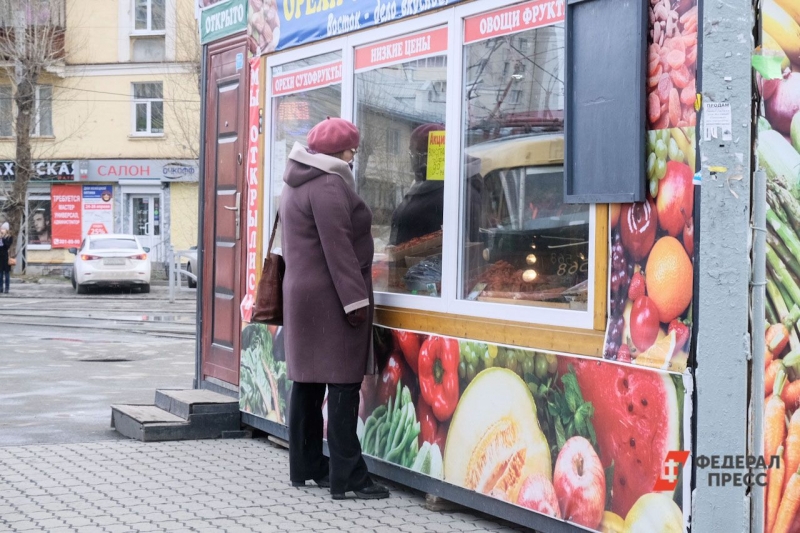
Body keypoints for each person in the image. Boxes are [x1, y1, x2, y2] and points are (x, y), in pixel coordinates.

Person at [280, 117, 388, 500]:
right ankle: (349, 476)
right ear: (336, 151)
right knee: (343, 382)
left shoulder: (297, 181)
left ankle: (307, 465)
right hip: (331, 297)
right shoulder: (328, 185)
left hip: (302, 294)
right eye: (351, 149)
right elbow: (339, 250)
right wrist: (356, 302)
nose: (354, 155)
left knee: (307, 382)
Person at [389, 123, 446, 246]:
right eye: (411, 153)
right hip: (407, 262)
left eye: (415, 154)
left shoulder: (446, 192)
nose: (412, 159)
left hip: (423, 264)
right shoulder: (421, 186)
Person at [0, 222, 12, 294]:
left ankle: (7, 288)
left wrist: (3, 238)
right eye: (1, 228)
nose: (2, 230)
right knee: (0, 274)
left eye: (3, 229)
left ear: (7, 230)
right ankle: (0, 287)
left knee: (6, 273)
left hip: (6, 257)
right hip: (0, 257)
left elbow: (7, 246)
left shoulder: (9, 237)